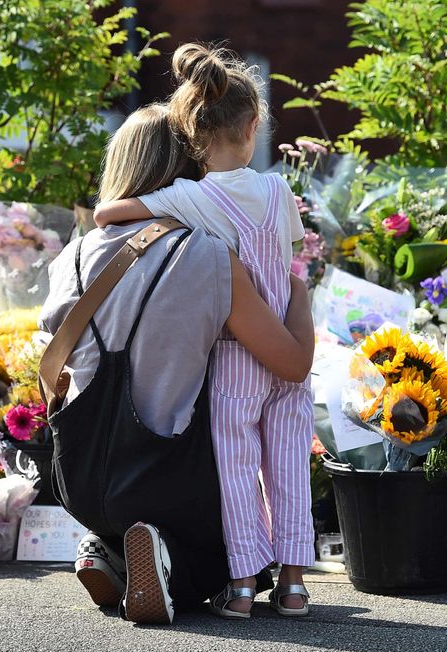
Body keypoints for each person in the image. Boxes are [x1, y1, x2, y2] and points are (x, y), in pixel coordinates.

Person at [40, 103, 314, 625]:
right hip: (168, 474)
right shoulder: (207, 254)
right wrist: (297, 295)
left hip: (80, 470)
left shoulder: (72, 256)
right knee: (231, 542)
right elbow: (291, 363)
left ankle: (110, 548)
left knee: (125, 499)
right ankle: (172, 566)